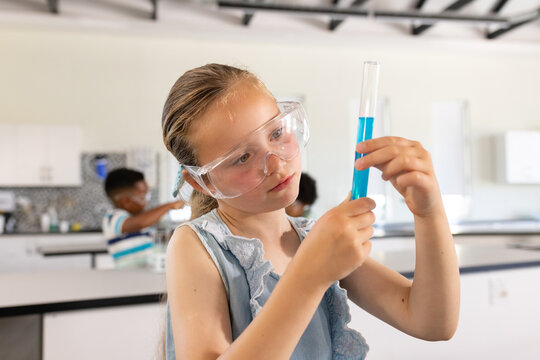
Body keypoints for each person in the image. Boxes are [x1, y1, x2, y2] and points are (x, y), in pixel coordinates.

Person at [162, 64, 460, 359]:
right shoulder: (195, 246)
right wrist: (311, 274)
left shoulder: (310, 238)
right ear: (202, 182)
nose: (277, 164)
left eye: (277, 132)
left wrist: (429, 213)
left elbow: (431, 322)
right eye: (242, 158)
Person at [102, 167, 184, 268]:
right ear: (126, 201)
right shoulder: (112, 218)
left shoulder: (139, 223)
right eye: (143, 197)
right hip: (128, 278)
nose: (146, 201)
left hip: (146, 274)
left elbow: (154, 238)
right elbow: (139, 223)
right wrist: (170, 205)